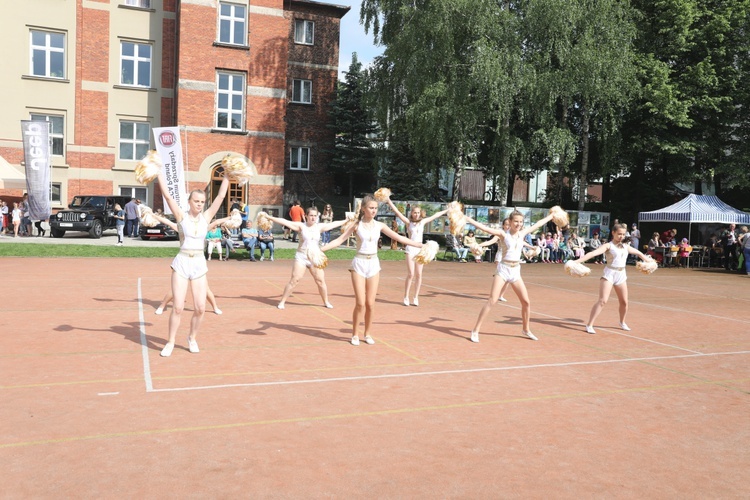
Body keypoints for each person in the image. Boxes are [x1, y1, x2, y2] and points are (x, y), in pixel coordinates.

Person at [322, 195, 422, 346]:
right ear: (363, 209)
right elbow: (339, 240)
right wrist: (320, 250)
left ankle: (367, 333)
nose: (374, 210)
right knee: (360, 303)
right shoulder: (356, 225)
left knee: (370, 303)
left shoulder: (380, 225)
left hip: (374, 263)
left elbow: (401, 239)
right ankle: (355, 334)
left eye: (375, 208)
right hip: (359, 263)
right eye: (371, 208)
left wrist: (421, 246)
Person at [156, 167, 229, 357]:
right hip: (181, 262)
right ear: (189, 202)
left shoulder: (206, 217)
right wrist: (158, 172)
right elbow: (168, 195)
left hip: (198, 263)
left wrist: (228, 175)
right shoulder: (181, 216)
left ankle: (192, 338)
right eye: (196, 201)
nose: (200, 204)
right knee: (178, 307)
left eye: (202, 202)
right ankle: (170, 342)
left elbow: (221, 197)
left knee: (200, 307)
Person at [465, 209, 557, 343]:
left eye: (521, 222)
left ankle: (526, 329)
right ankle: (475, 330)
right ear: (510, 221)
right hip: (503, 269)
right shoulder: (503, 234)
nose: (518, 224)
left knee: (526, 302)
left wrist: (552, 216)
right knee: (493, 300)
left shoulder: (522, 233)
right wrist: (467, 218)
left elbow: (538, 223)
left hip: (516, 271)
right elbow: (484, 227)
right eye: (516, 221)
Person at [574, 223, 651, 334]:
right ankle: (589, 324)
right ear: (613, 233)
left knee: (624, 302)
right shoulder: (608, 246)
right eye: (619, 234)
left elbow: (639, 253)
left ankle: (622, 322)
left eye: (623, 234)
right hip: (609, 274)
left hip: (621, 275)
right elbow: (593, 253)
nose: (621, 236)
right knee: (603, 301)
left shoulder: (625, 246)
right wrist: (576, 261)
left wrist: (649, 261)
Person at [264, 206, 346, 309]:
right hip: (302, 256)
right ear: (306, 216)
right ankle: (282, 302)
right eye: (311, 215)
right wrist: (269, 217)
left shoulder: (319, 227)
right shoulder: (301, 226)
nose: (313, 218)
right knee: (295, 280)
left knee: (320, 281)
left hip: (315, 256)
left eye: (315, 216)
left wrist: (346, 220)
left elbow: (333, 224)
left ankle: (326, 301)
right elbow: (285, 222)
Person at [385, 198, 447, 306]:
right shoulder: (408, 223)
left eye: (418, 213)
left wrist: (447, 210)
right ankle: (406, 296)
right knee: (411, 274)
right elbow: (398, 212)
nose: (417, 214)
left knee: (419, 274)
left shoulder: (422, 222)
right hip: (410, 248)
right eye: (415, 213)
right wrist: (389, 201)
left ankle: (416, 297)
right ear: (412, 213)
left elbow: (436, 215)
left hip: (420, 249)